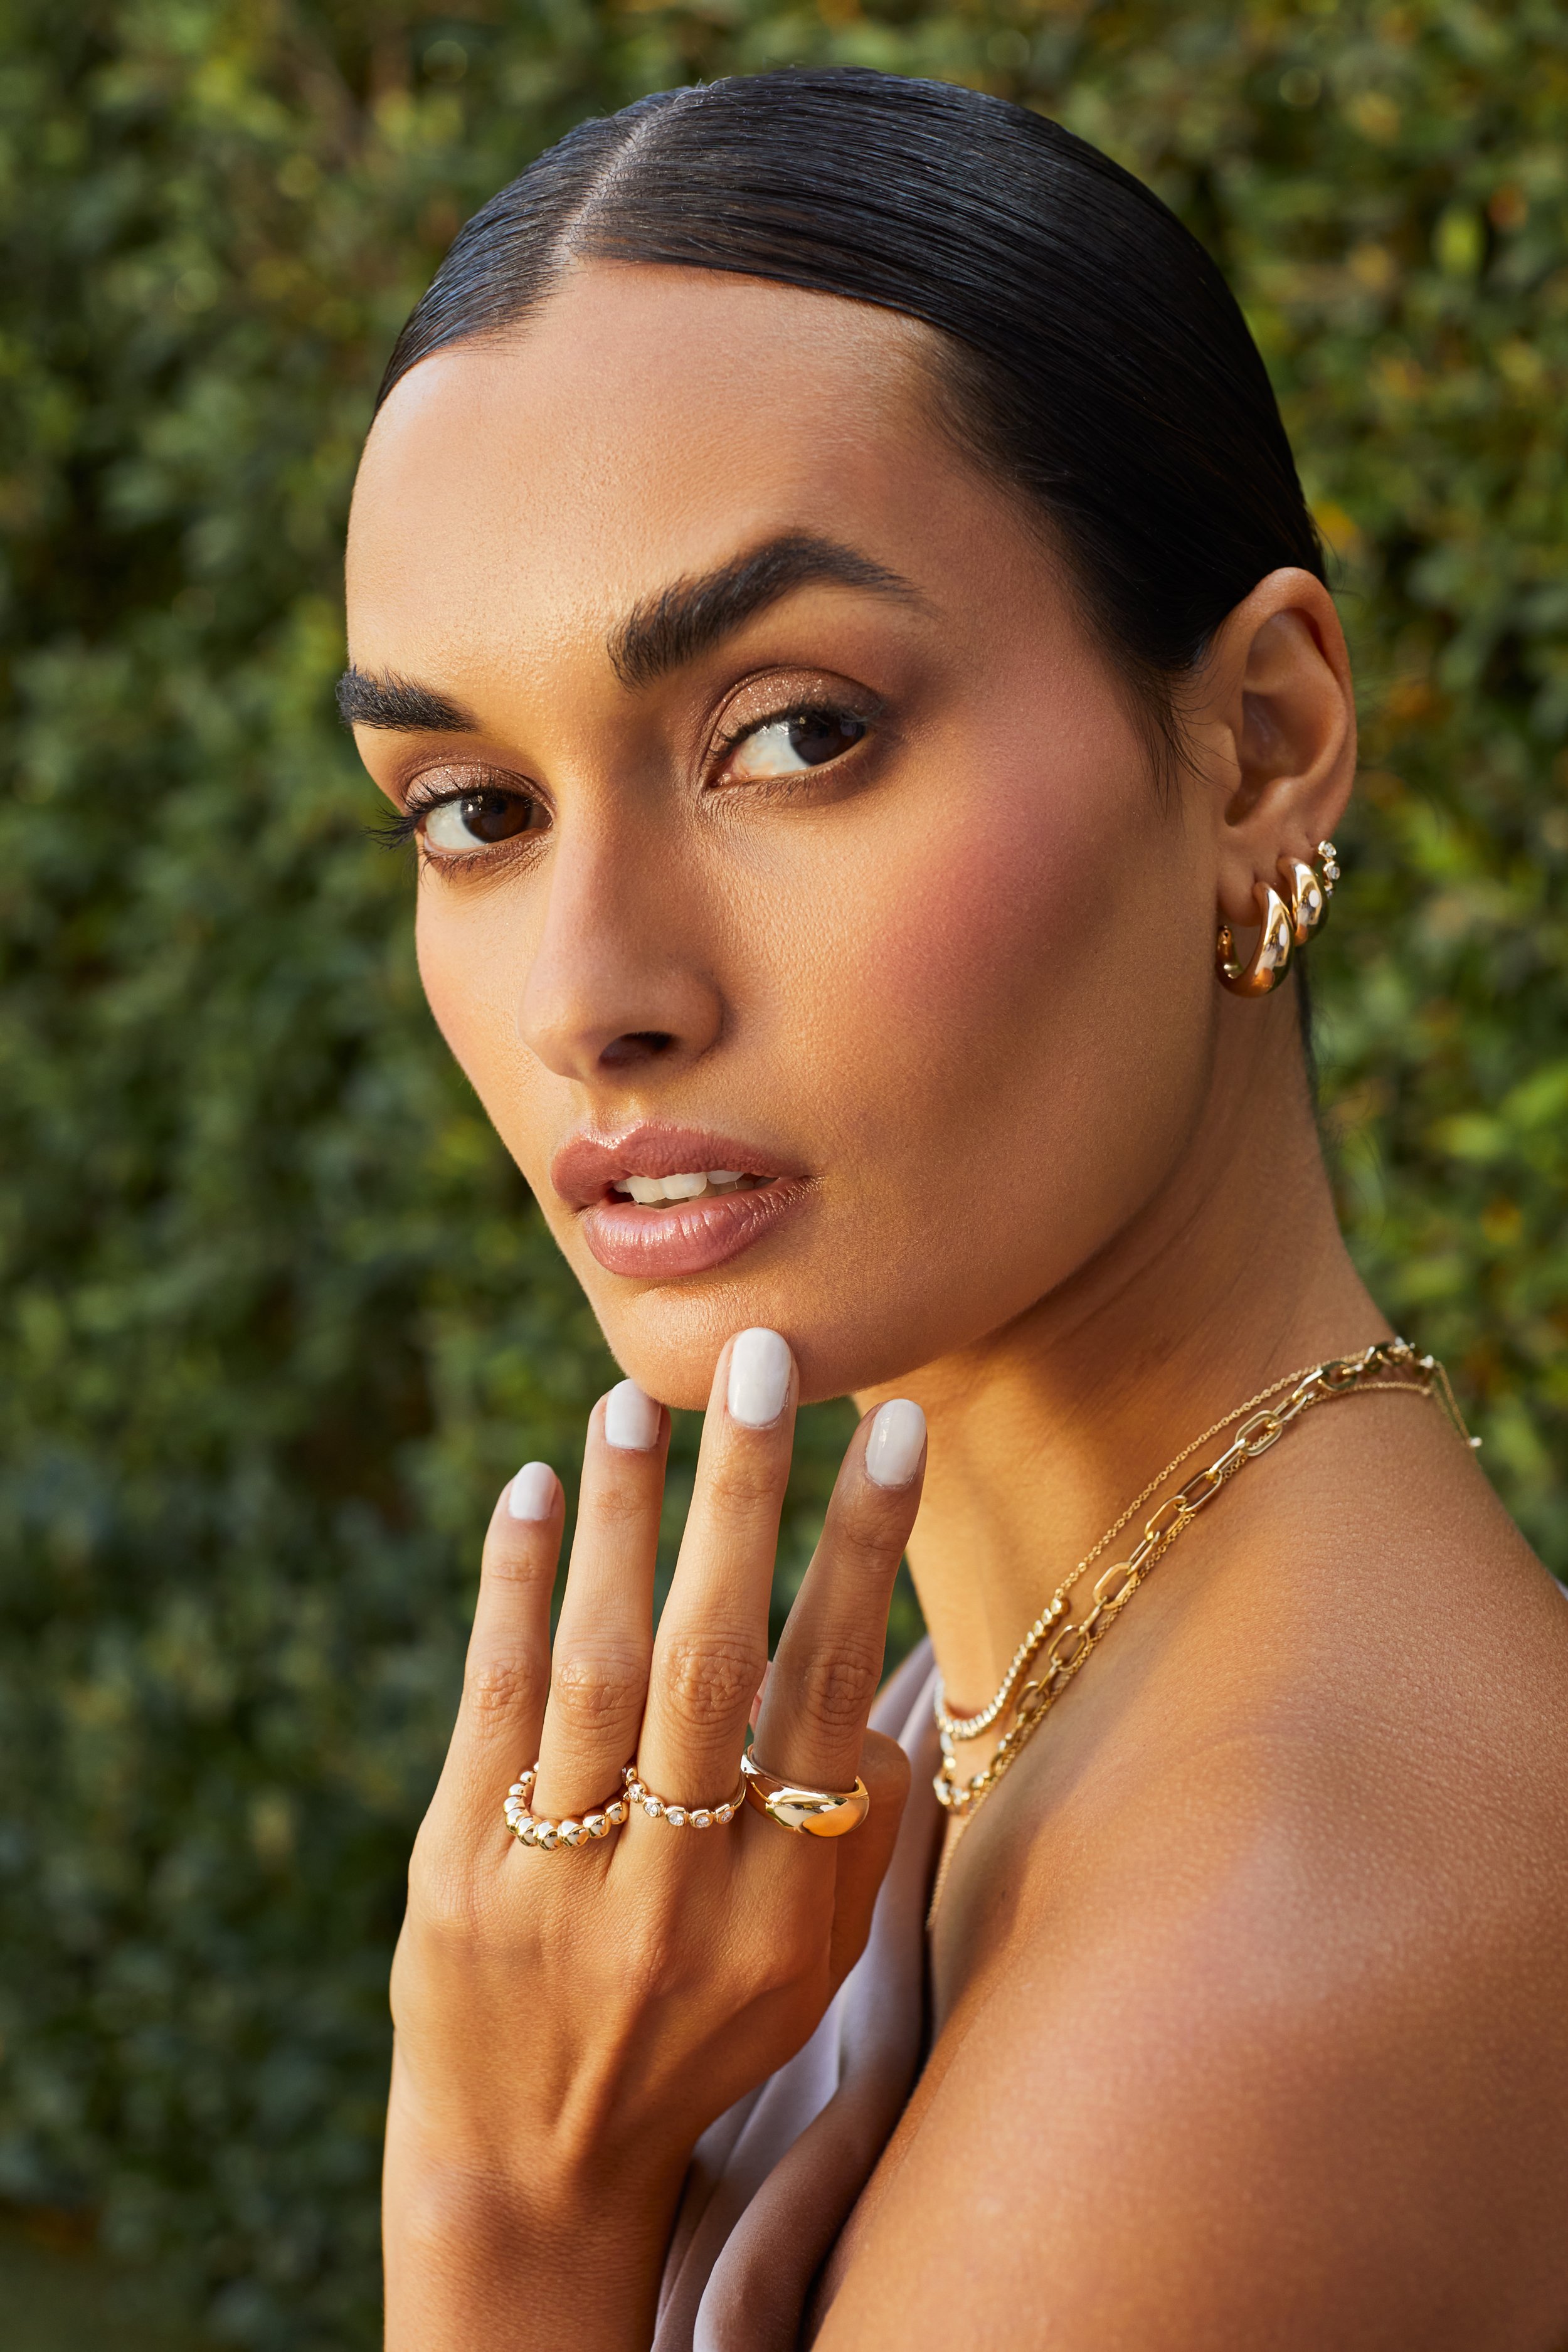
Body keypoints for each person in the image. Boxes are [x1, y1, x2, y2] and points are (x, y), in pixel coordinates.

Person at [339, 68, 1568, 2351]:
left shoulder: (1263, 1970)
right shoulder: (966, 1726)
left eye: (793, 734)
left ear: (1259, 741)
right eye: (474, 805)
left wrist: (502, 2221)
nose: (593, 994)